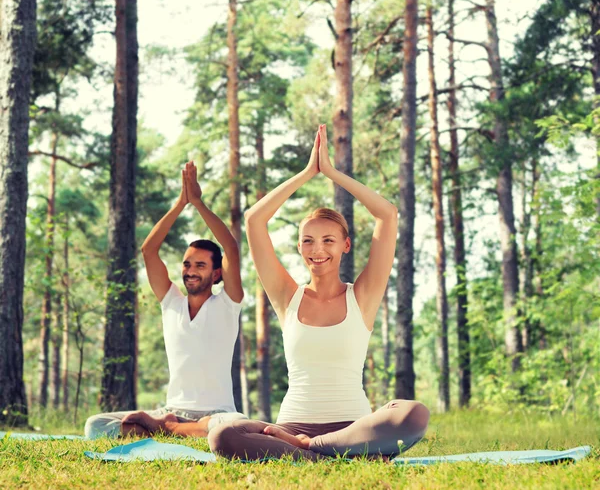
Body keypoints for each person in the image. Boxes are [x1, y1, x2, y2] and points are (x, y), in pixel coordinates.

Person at [209, 125, 429, 461]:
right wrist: (307, 172)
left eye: (328, 240)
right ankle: (334, 456)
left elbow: (387, 214)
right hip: (290, 427)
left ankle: (315, 451)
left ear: (345, 246)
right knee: (223, 434)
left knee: (413, 412)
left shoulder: (362, 297)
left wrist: (331, 172)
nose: (318, 250)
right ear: (299, 247)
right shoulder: (287, 297)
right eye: (309, 241)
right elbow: (255, 220)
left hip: (351, 429)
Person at [85, 162, 246, 439]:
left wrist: (197, 203)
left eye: (200, 265)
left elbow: (230, 247)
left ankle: (164, 430)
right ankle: (172, 427)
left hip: (217, 412)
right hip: (172, 409)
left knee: (234, 426)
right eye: (186, 264)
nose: (190, 271)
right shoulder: (171, 302)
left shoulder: (228, 304)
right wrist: (180, 203)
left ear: (217, 273)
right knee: (95, 425)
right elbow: (149, 250)